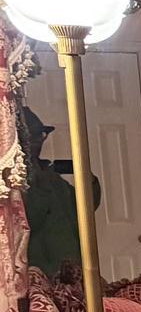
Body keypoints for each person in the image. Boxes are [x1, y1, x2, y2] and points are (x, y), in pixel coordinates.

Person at [19, 105, 94, 278]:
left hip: (73, 267)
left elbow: (82, 206)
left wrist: (88, 178)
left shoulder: (50, 175)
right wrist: (40, 180)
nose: (40, 140)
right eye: (34, 135)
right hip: (43, 272)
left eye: (42, 134)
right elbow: (29, 218)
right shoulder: (14, 176)